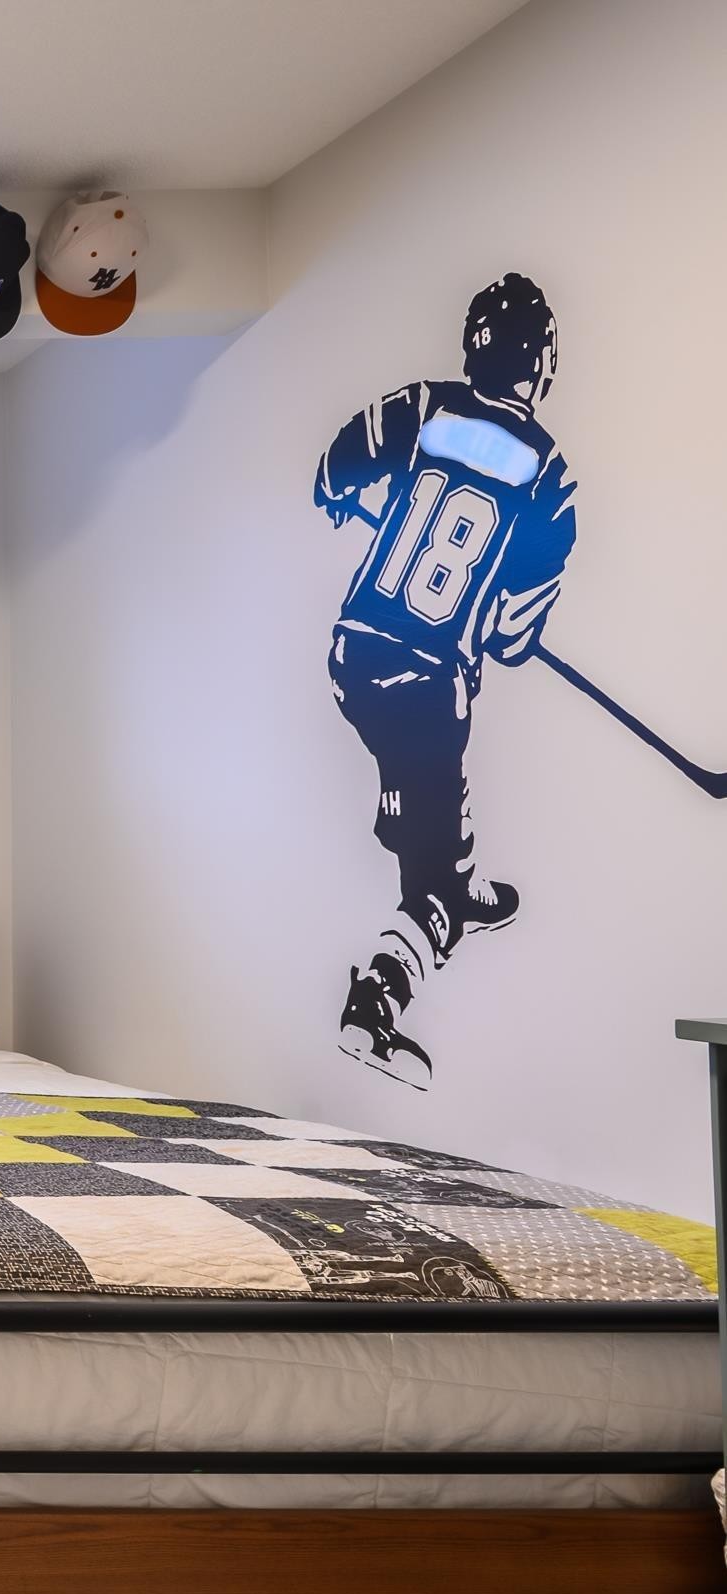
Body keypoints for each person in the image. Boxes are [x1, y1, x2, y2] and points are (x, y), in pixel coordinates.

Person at [312, 273, 577, 1085]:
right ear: (540, 367)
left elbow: (334, 467)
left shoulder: (423, 407)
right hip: (430, 685)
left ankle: (450, 871)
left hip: (353, 656)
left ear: (474, 348)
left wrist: (337, 495)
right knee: (429, 885)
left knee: (425, 806)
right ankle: (377, 1002)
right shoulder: (548, 476)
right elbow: (509, 632)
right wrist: (511, 633)